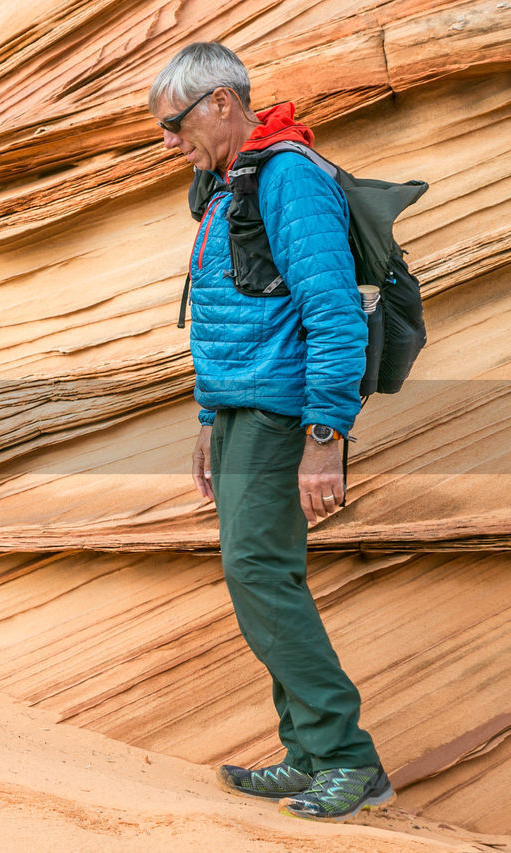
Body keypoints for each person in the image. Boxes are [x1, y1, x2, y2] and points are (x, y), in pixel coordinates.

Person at [148, 42, 394, 821]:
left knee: (259, 570)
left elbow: (331, 311)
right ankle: (308, 753)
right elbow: (237, 313)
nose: (166, 140)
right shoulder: (230, 184)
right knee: (263, 575)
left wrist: (325, 436)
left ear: (222, 101)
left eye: (173, 122)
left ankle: (350, 759)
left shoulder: (287, 178)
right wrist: (208, 417)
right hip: (242, 411)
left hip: (284, 414)